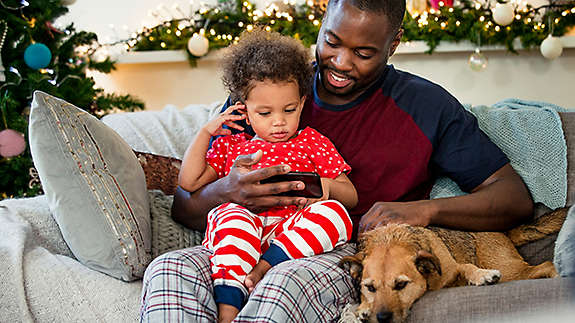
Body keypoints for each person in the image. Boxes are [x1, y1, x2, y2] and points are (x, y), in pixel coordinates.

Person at [140, 0, 534, 321]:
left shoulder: (427, 107)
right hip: (241, 237)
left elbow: (514, 198)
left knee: (281, 286)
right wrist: (229, 190)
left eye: (363, 53)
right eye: (332, 41)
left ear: (393, 43)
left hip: (334, 249)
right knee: (167, 271)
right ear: (323, 18)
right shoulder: (267, 91)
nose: (341, 62)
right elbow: (185, 207)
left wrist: (421, 211)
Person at [176, 28, 357, 323]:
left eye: (288, 109)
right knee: (231, 214)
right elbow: (189, 182)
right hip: (246, 227)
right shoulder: (232, 145)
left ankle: (265, 266)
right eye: (264, 113)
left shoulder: (312, 141)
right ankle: (228, 311)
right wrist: (205, 132)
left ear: (301, 103)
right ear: (244, 111)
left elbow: (351, 195)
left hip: (292, 235)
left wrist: (325, 187)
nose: (278, 122)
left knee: (335, 213)